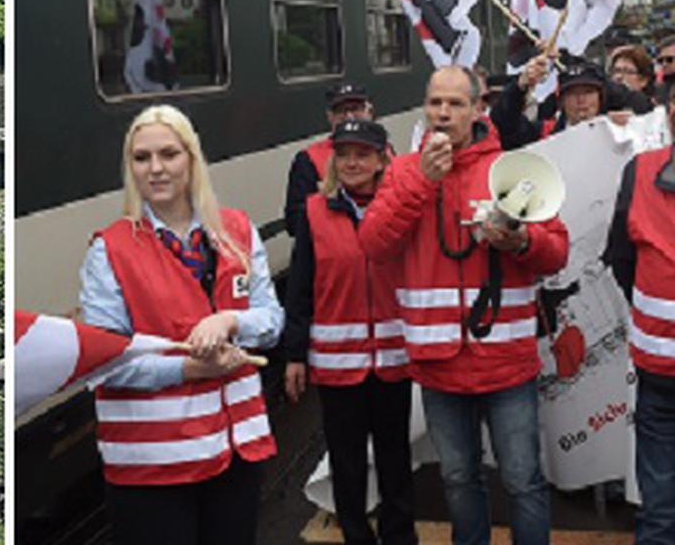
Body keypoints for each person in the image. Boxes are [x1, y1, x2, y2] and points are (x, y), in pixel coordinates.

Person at [358, 66, 570, 545]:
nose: (443, 113)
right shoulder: (406, 171)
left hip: (506, 360)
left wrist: (520, 242)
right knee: (458, 480)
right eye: (435, 103)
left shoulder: (509, 166)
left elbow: (556, 252)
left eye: (455, 103)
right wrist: (421, 183)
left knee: (523, 482)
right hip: (438, 362)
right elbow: (373, 244)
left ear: (479, 108)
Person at [80, 103, 283, 545]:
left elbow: (271, 320)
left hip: (234, 454)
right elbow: (101, 363)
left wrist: (229, 319)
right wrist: (192, 369)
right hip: (154, 466)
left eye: (169, 154)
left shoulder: (237, 232)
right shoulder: (110, 251)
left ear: (192, 159)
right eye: (141, 158)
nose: (155, 169)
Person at [283, 119, 417, 545]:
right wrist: (294, 354)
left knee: (396, 457)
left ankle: (400, 537)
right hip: (338, 365)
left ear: (382, 159)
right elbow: (301, 286)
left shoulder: (400, 208)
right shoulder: (314, 212)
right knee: (347, 461)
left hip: (393, 359)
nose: (352, 163)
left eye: (362, 154)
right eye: (344, 155)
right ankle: (357, 536)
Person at [603, 82, 675, 543]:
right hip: (659, 376)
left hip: (657, 366)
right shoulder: (638, 171)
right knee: (661, 506)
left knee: (661, 507)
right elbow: (621, 257)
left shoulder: (643, 171)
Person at [490, 55, 643, 149]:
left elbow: (644, 105)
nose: (581, 100)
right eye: (573, 93)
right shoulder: (544, 134)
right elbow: (504, 124)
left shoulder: (619, 132)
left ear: (600, 97)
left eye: (588, 92)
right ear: (561, 100)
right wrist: (520, 86)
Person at [284, 83, 374, 237]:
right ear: (329, 116)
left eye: (355, 108)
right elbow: (294, 223)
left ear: (368, 111)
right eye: (341, 111)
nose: (349, 116)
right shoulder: (307, 160)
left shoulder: (385, 151)